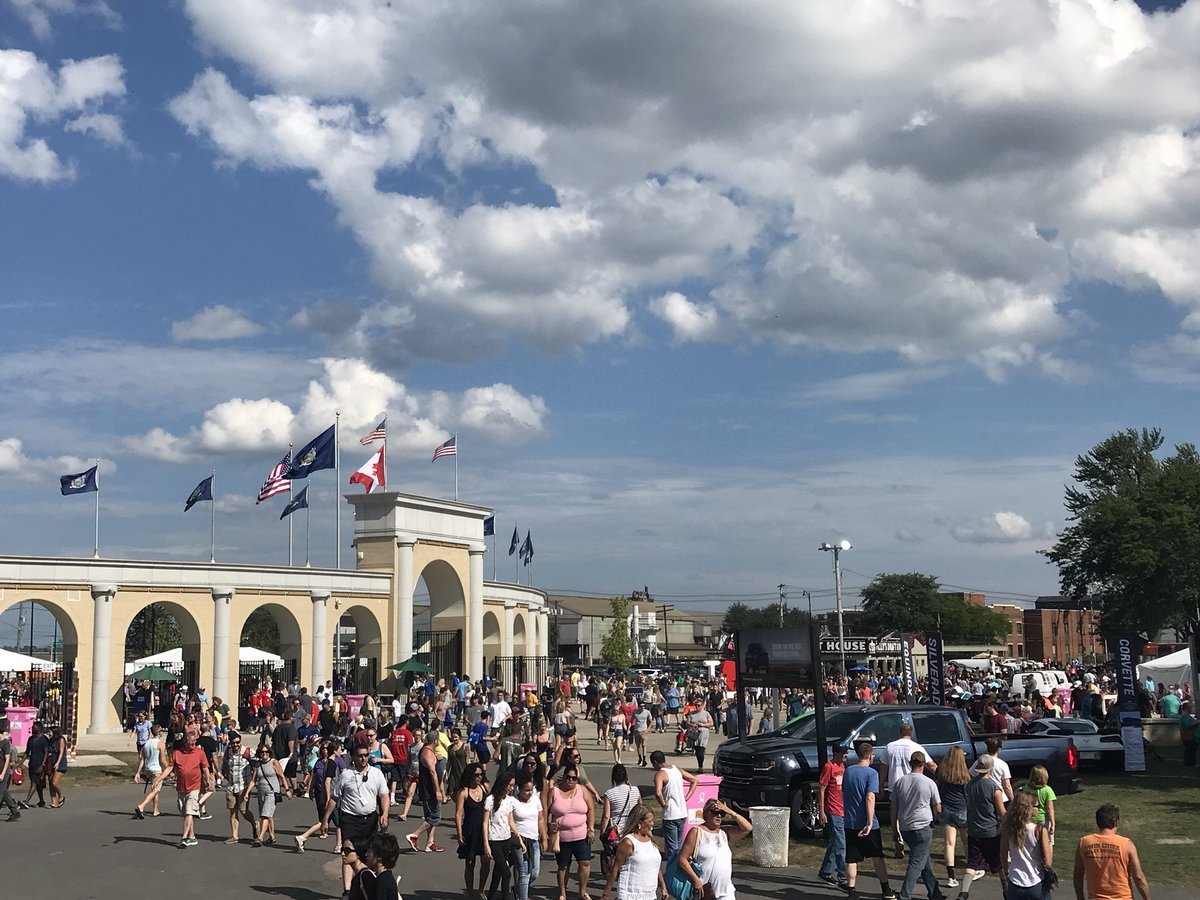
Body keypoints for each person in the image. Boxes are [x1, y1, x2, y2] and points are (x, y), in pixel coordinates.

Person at [330, 740, 391, 898]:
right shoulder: (346, 775)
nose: (363, 759)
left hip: (370, 819)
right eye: (360, 756)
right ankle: (347, 890)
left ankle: (368, 883)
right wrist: (325, 819)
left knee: (371, 853)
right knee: (349, 852)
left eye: (366, 755)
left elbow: (384, 795)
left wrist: (384, 813)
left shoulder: (376, 774)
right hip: (350, 819)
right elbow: (334, 798)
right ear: (354, 758)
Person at [842, 743, 897, 900]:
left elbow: (845, 793)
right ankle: (886, 889)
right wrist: (869, 821)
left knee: (851, 858)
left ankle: (851, 890)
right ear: (870, 755)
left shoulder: (849, 771)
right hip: (867, 822)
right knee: (876, 856)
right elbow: (870, 797)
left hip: (850, 821)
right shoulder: (871, 773)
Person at [893, 751, 947, 900]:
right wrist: (936, 820)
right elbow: (938, 808)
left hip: (905, 827)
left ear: (911, 764)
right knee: (916, 862)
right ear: (923, 764)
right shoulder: (929, 783)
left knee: (924, 859)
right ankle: (904, 895)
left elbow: (893, 807)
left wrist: (894, 829)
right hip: (923, 826)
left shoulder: (900, 782)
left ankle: (935, 892)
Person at [145, 732, 211, 848]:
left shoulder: (200, 753)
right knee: (185, 812)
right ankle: (192, 837)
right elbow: (169, 768)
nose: (192, 745)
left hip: (194, 788)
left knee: (189, 812)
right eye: (190, 743)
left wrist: (207, 781)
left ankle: (184, 838)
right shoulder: (177, 753)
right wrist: (158, 780)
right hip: (181, 788)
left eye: (194, 743)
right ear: (185, 742)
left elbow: (205, 768)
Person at [677, 798, 752, 900]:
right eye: (716, 812)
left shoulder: (724, 832)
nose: (719, 816)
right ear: (707, 813)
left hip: (726, 891)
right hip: (705, 890)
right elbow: (682, 859)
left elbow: (748, 828)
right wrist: (696, 880)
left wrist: (730, 812)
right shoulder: (696, 832)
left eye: (722, 813)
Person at [1073, 803, 1150, 900]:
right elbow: (1138, 877)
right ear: (1116, 822)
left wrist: (1080, 897)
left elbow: (1078, 875)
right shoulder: (1126, 844)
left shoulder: (1084, 843)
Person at [957, 755, 1006, 900]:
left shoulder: (970, 785)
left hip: (973, 830)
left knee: (972, 863)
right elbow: (1001, 811)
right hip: (990, 831)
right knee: (998, 864)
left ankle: (963, 892)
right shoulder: (994, 788)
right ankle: (1007, 891)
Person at [884, 723, 936, 857]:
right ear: (911, 733)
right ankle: (913, 838)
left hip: (895, 785)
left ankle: (898, 839)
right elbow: (931, 765)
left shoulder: (890, 746)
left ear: (899, 733)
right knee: (912, 812)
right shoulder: (916, 747)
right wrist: (942, 776)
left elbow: (884, 768)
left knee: (894, 813)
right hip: (914, 785)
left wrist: (879, 785)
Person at [600, 803, 666, 900]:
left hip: (650, 895)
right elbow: (615, 869)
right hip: (630, 894)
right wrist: (605, 895)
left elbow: (655, 865)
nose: (652, 824)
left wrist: (663, 887)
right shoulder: (628, 842)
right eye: (650, 821)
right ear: (640, 822)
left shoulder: (651, 840)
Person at [549, 764, 595, 900]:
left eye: (574, 778)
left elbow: (591, 809)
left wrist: (591, 829)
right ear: (563, 777)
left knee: (585, 863)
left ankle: (582, 891)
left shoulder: (582, 790)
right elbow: (546, 811)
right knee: (563, 866)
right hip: (562, 837)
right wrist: (548, 828)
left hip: (582, 835)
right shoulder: (555, 791)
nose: (571, 781)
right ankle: (563, 893)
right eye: (568, 777)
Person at [999, 793, 1052, 900]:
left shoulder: (1007, 829)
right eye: (1036, 806)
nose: (1038, 809)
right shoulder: (1039, 830)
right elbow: (1048, 861)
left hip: (1015, 880)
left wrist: (1006, 871)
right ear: (1029, 808)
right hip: (1036, 881)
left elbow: (1003, 854)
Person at [651, 750, 698, 858]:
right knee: (679, 844)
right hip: (682, 812)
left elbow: (658, 793)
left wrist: (663, 803)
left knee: (672, 847)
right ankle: (681, 864)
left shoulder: (660, 774)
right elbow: (694, 780)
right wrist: (687, 797)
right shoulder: (676, 769)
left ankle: (674, 869)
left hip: (670, 815)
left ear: (655, 762)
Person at [937, 746, 971, 889]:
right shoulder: (964, 774)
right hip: (962, 809)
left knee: (949, 843)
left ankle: (951, 876)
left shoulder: (941, 772)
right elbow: (966, 794)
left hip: (946, 808)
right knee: (967, 841)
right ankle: (971, 869)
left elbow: (939, 787)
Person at [456, 762, 492, 899]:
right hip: (469, 830)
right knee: (470, 862)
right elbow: (458, 814)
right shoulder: (464, 792)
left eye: (481, 774)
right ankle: (470, 891)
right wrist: (459, 833)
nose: (479, 777)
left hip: (483, 830)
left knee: (486, 861)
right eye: (476, 775)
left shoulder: (484, 788)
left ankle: (481, 889)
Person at [483, 772, 520, 900]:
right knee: (506, 873)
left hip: (506, 839)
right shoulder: (490, 800)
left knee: (498, 871)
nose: (511, 788)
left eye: (513, 786)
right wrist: (486, 844)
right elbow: (485, 822)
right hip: (494, 840)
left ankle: (491, 896)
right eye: (509, 785)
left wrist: (518, 837)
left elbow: (510, 821)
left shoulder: (509, 800)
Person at [244, 743, 290, 846]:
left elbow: (282, 776)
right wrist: (247, 793)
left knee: (264, 814)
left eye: (266, 752)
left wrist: (287, 790)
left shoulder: (274, 762)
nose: (264, 754)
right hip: (261, 791)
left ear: (269, 753)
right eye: (262, 752)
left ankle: (260, 838)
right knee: (268, 815)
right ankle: (272, 836)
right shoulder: (258, 765)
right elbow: (253, 780)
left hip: (272, 791)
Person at [407, 731, 446, 853]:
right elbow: (432, 771)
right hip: (429, 790)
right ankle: (414, 835)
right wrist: (438, 790)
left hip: (429, 789)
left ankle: (430, 843)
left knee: (431, 816)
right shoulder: (427, 752)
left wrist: (438, 758)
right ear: (435, 740)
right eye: (438, 739)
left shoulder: (429, 752)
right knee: (434, 817)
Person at [817, 743, 849, 889]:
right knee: (841, 845)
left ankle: (826, 870)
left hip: (842, 808)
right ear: (836, 753)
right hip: (832, 809)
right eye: (842, 753)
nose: (845, 756)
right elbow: (822, 789)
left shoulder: (842, 767)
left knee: (835, 842)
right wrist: (822, 811)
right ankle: (843, 877)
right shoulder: (828, 767)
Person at [512, 774, 547, 900]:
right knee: (524, 873)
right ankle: (523, 897)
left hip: (534, 840)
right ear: (519, 789)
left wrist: (544, 837)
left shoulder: (535, 800)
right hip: (520, 842)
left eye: (531, 790)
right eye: (526, 790)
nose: (529, 793)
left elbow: (541, 819)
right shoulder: (513, 802)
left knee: (534, 872)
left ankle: (517, 889)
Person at [344, 831, 403, 900]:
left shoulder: (382, 882)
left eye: (370, 851)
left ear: (379, 856)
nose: (366, 854)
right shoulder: (385, 878)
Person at [220, 731, 255, 845]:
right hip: (231, 785)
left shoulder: (248, 751)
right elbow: (225, 764)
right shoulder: (228, 752)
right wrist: (222, 773)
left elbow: (259, 762)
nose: (235, 745)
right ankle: (234, 835)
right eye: (233, 743)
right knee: (232, 811)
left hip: (243, 786)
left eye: (237, 742)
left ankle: (255, 825)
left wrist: (255, 778)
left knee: (243, 811)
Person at [18, 720, 49, 809]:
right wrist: (20, 763)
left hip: (39, 764)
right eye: (32, 727)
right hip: (32, 764)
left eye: (34, 728)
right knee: (38, 784)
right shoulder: (31, 739)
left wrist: (42, 765)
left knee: (34, 783)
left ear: (39, 729)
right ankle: (42, 801)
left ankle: (27, 801)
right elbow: (27, 752)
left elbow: (46, 753)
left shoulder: (44, 739)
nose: (32, 729)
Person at [1021, 765, 1056, 838]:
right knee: (1045, 840)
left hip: (1028, 818)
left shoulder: (1024, 789)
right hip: (1042, 819)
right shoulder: (1048, 790)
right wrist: (1052, 823)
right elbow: (1050, 809)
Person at [0, 720, 20, 822]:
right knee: (4, 792)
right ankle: (14, 811)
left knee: (1, 791)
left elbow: (7, 759)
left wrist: (3, 773)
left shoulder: (5, 743)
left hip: (3, 771)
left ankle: (14, 810)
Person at [45, 724, 67, 808]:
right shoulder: (51, 740)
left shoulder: (61, 740)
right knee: (50, 783)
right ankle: (53, 802)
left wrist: (57, 763)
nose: (49, 733)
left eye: (50, 732)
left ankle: (61, 796)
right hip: (51, 762)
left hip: (60, 763)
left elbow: (61, 752)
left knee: (55, 782)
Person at [687, 703, 714, 772]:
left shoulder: (706, 713)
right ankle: (699, 765)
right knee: (697, 749)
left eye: (698, 705)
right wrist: (693, 725)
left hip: (703, 733)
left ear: (702, 706)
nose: (697, 706)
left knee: (701, 749)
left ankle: (701, 766)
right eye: (696, 705)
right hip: (694, 733)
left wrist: (703, 724)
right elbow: (687, 722)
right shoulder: (692, 713)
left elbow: (711, 723)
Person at [1179, 702, 1197, 767]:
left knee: (1190, 749)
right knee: (1191, 749)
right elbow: (1189, 725)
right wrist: (1197, 722)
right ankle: (1190, 762)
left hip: (1189, 736)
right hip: (1188, 736)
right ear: (1187, 708)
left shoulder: (1187, 716)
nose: (1192, 709)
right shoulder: (1185, 717)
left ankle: (1188, 762)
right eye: (1190, 707)